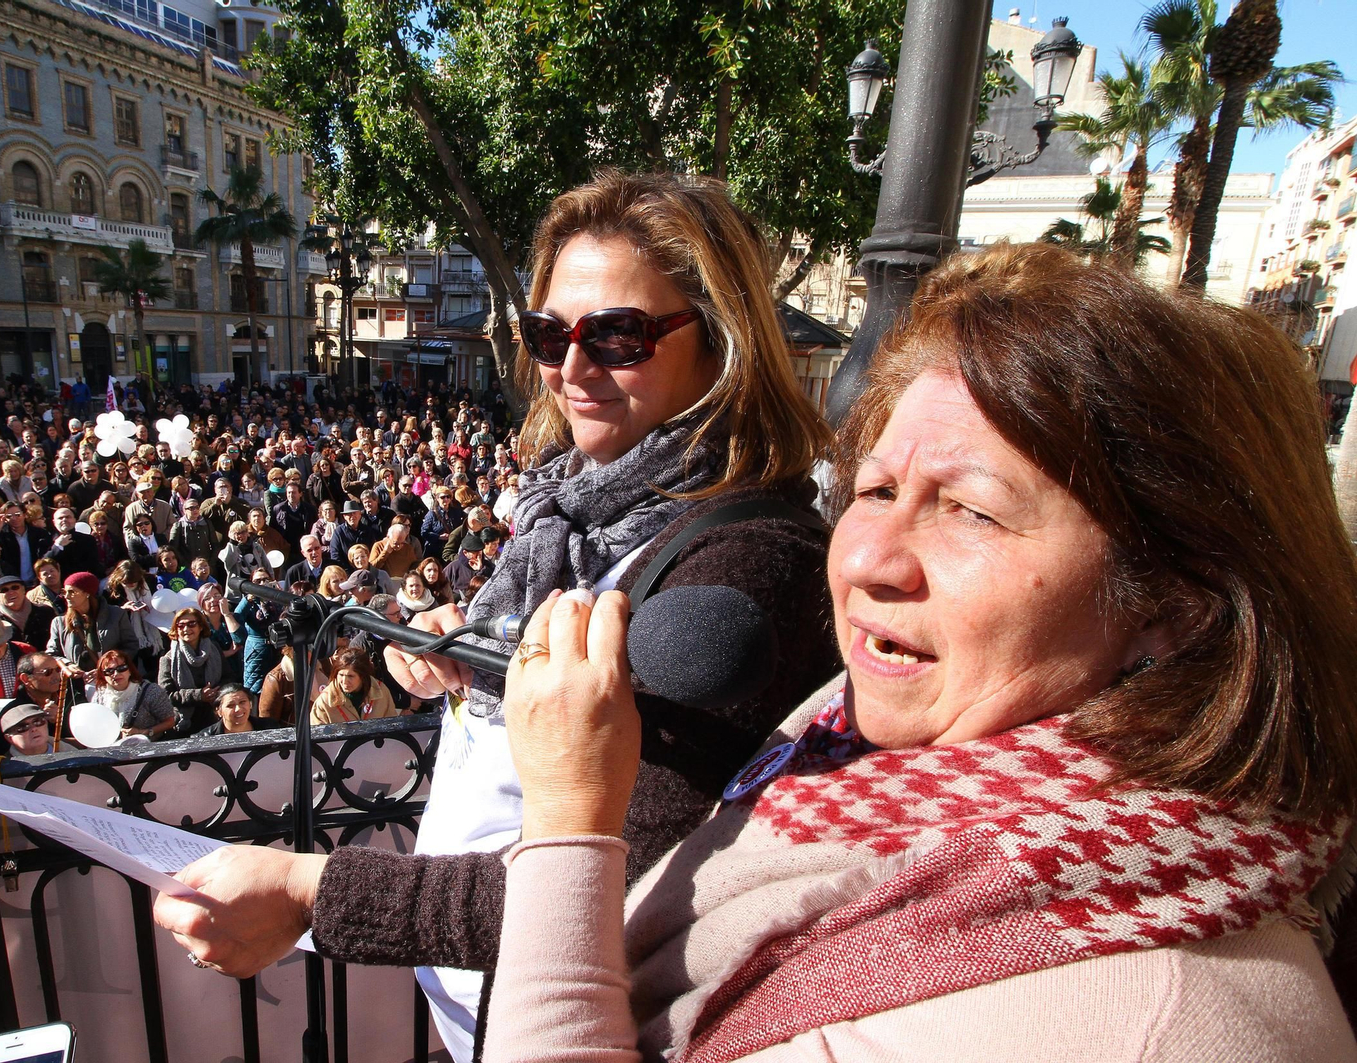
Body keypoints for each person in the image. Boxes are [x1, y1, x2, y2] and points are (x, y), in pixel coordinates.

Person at [424, 244, 1357, 1059]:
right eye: (873, 491)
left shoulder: (1153, 1023)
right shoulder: (843, 732)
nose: (867, 560)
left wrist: (571, 815)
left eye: (972, 510)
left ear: (1174, 603)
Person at [153, 171, 835, 1060]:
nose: (572, 369)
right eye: (549, 334)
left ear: (722, 340)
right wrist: (473, 657)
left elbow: (610, 883)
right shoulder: (564, 511)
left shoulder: (744, 569)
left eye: (620, 335)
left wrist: (308, 891)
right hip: (484, 1003)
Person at [46, 571, 137, 678]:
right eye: (64, 592)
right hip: (77, 683)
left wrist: (109, 666)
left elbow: (131, 645)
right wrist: (67, 665)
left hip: (110, 678)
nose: (66, 596)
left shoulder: (116, 615)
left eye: (72, 592)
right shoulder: (59, 622)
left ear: (87, 593)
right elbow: (52, 653)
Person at [157, 608, 222, 735]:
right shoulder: (168, 659)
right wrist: (199, 695)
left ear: (201, 626)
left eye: (191, 624)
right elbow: (165, 695)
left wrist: (215, 693)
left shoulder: (214, 650)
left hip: (214, 714)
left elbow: (229, 677)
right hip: (185, 722)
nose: (186, 629)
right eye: (180, 626)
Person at [89, 649, 175, 740]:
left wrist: (143, 732)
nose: (116, 674)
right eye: (109, 671)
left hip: (148, 747)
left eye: (121, 668)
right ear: (102, 675)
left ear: (129, 670)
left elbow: (170, 722)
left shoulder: (151, 691)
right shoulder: (100, 695)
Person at [3, 653, 74, 752]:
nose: (56, 677)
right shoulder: (11, 713)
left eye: (58, 670)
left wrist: (62, 721)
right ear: (26, 678)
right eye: (47, 672)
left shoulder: (73, 696)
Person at [309, 648, 398, 727]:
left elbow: (392, 726)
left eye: (350, 676)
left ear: (363, 676)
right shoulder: (325, 701)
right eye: (341, 675)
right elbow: (317, 737)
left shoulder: (381, 692)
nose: (344, 681)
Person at [193, 683, 284, 737]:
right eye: (230, 705)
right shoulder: (204, 739)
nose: (238, 709)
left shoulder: (270, 728)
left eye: (242, 702)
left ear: (251, 704)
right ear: (219, 711)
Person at [0, 574, 53, 650]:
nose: (11, 592)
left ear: (23, 590)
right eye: (4, 590)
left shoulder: (45, 612)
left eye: (15, 587)